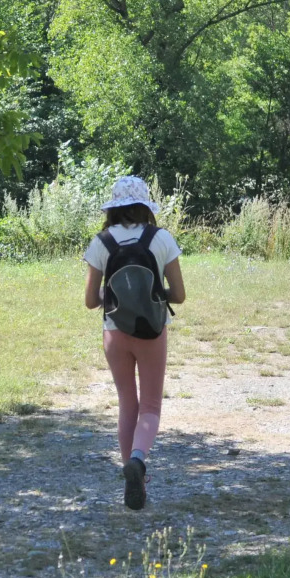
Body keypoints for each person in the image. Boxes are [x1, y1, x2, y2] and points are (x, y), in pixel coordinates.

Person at [82, 176, 187, 510]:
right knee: (151, 405)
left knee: (128, 401)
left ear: (113, 207)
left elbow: (89, 300)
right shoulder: (161, 239)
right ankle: (138, 461)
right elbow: (180, 295)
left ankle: (134, 477)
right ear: (145, 206)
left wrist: (114, 296)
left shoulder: (101, 242)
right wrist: (154, 295)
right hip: (152, 332)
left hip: (115, 331)